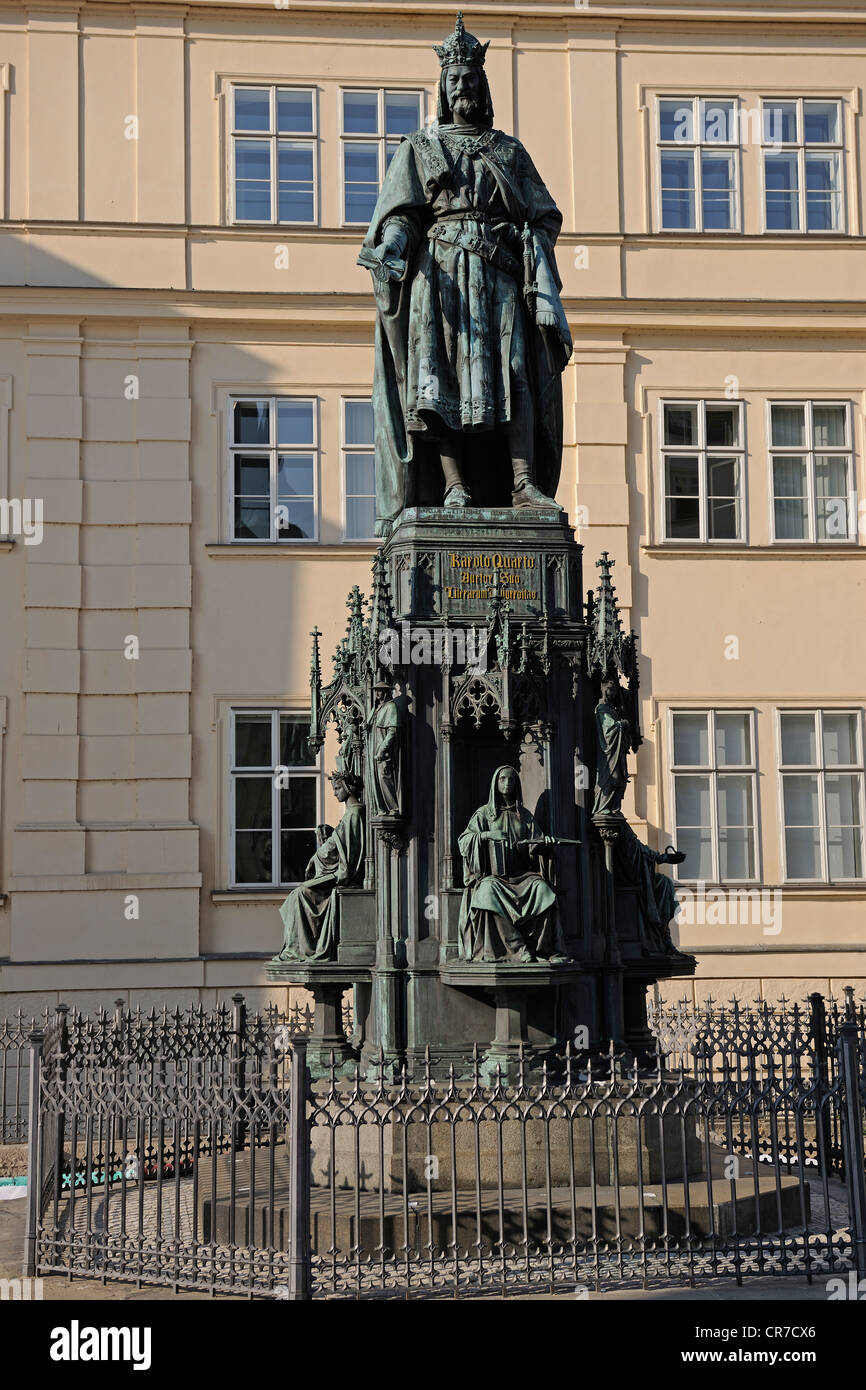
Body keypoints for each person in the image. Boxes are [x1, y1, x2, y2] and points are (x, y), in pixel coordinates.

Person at [358, 13, 572, 531]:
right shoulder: (421, 148)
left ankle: (523, 483)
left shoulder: (508, 151)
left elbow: (544, 215)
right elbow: (404, 215)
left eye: (470, 78)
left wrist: (530, 245)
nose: (463, 87)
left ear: (482, 83)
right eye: (454, 79)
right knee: (439, 380)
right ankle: (454, 486)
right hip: (440, 278)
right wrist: (392, 244)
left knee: (514, 375)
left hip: (500, 277)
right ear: (442, 86)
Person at [457, 765, 568, 963]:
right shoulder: (484, 814)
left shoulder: (524, 816)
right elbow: (464, 841)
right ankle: (519, 948)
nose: (507, 783)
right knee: (486, 893)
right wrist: (485, 835)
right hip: (494, 877)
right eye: (502, 779)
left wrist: (546, 845)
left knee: (543, 890)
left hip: (522, 877)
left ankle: (544, 950)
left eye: (511, 779)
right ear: (495, 784)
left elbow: (535, 846)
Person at [274, 765, 365, 962]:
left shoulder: (355, 814)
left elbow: (351, 855)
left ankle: (302, 948)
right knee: (296, 895)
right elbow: (342, 845)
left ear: (348, 788)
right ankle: (297, 946)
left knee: (299, 894)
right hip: (334, 873)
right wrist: (328, 836)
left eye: (338, 788)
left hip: (341, 876)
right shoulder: (350, 814)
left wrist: (330, 860)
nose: (334, 793)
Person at [593, 676, 632, 816]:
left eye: (615, 689)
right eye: (610, 689)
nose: (613, 692)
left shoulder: (612, 709)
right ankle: (603, 808)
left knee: (620, 780)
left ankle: (614, 809)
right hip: (608, 752)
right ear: (603, 690)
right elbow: (608, 730)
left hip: (616, 751)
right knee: (612, 777)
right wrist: (622, 724)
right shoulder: (602, 708)